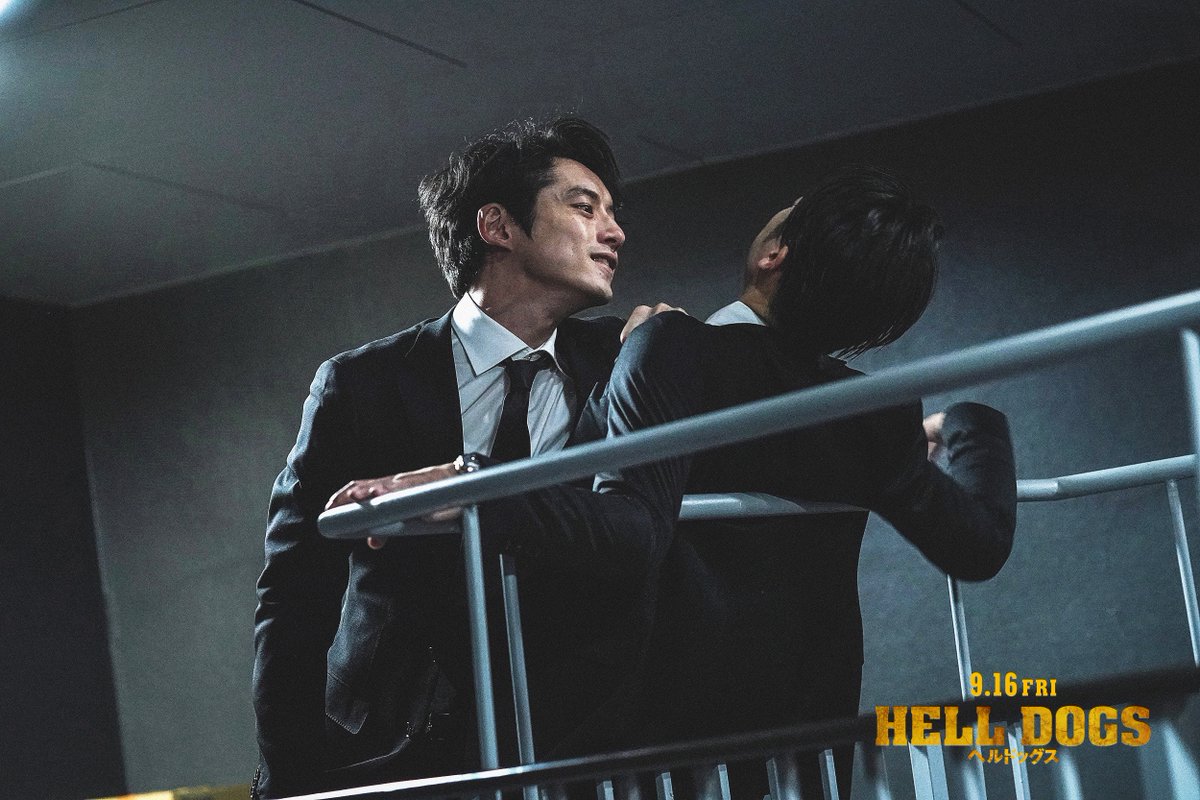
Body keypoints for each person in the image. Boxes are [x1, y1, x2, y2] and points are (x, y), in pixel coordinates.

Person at [339, 166, 1017, 798]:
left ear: (773, 254)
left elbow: (631, 526)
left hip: (656, 752)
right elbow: (978, 544)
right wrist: (969, 422)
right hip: (803, 755)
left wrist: (473, 484)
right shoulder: (873, 413)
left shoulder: (677, 348)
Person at [252, 115, 648, 799]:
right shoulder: (362, 384)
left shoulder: (627, 362)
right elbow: (294, 592)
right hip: (396, 744)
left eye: (612, 214)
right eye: (586, 208)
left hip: (575, 746)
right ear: (497, 226)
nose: (614, 232)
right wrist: (289, 779)